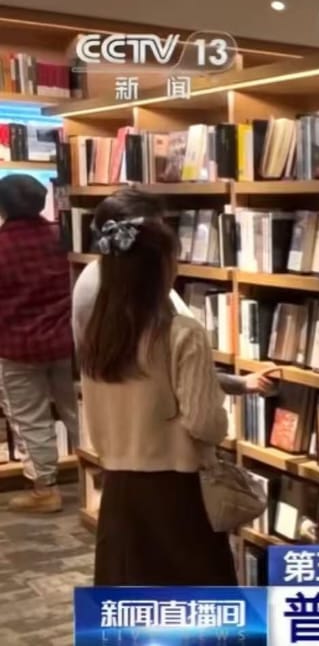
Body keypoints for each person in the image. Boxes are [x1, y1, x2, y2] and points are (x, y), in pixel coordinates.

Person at [81, 192, 236, 585]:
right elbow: (205, 423)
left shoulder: (98, 332)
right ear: (159, 268)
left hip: (118, 487)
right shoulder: (182, 333)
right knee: (198, 602)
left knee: (128, 598)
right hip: (177, 490)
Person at [71, 189, 277, 396]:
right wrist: (239, 384)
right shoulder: (122, 292)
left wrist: (239, 383)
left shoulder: (103, 279)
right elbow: (172, 369)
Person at [0, 174, 78, 513]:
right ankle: (103, 480)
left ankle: (45, 490)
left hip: (17, 347)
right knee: (79, 413)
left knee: (29, 419)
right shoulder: (64, 236)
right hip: (67, 342)